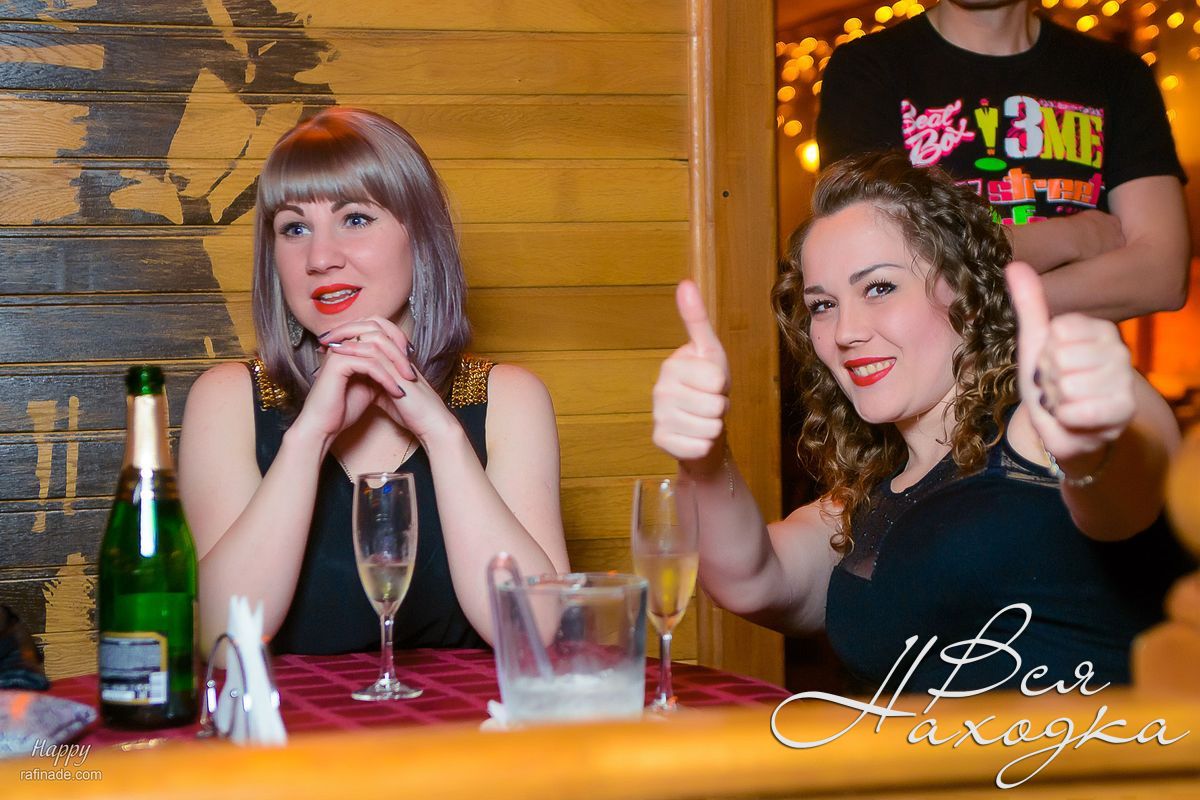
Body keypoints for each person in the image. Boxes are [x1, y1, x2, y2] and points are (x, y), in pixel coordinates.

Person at [652, 151, 1192, 693]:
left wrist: (1092, 449)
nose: (845, 331)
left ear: (968, 295)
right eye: (822, 305)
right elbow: (752, 580)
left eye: (879, 288)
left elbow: (1131, 492)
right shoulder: (866, 498)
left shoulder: (1039, 422)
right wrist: (705, 457)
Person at [179, 108, 569, 656]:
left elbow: (538, 637)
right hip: (292, 716)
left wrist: (441, 434)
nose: (319, 258)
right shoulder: (227, 399)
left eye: (356, 219)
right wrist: (310, 436)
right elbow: (221, 644)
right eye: (294, 228)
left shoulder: (508, 398)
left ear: (421, 238)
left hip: (464, 714)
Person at [816, 0, 1190, 321]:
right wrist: (1072, 237)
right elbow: (881, 256)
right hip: (933, 383)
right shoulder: (867, 70)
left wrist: (964, 299)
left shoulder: (1117, 75)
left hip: (1073, 373)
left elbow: (1163, 275)